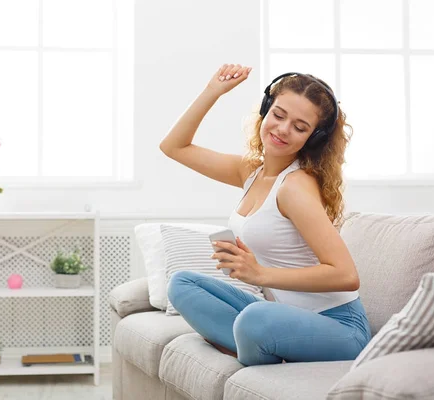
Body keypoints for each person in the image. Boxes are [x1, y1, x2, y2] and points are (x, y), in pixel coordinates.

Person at [159, 64, 372, 366]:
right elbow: (173, 146)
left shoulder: (295, 187)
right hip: (283, 315)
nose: (283, 129)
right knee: (182, 284)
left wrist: (259, 274)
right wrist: (214, 91)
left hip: (339, 328)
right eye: (278, 115)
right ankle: (257, 345)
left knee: (255, 318)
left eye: (300, 127)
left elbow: (346, 275)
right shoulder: (251, 171)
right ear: (266, 110)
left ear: (313, 137)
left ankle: (249, 345)